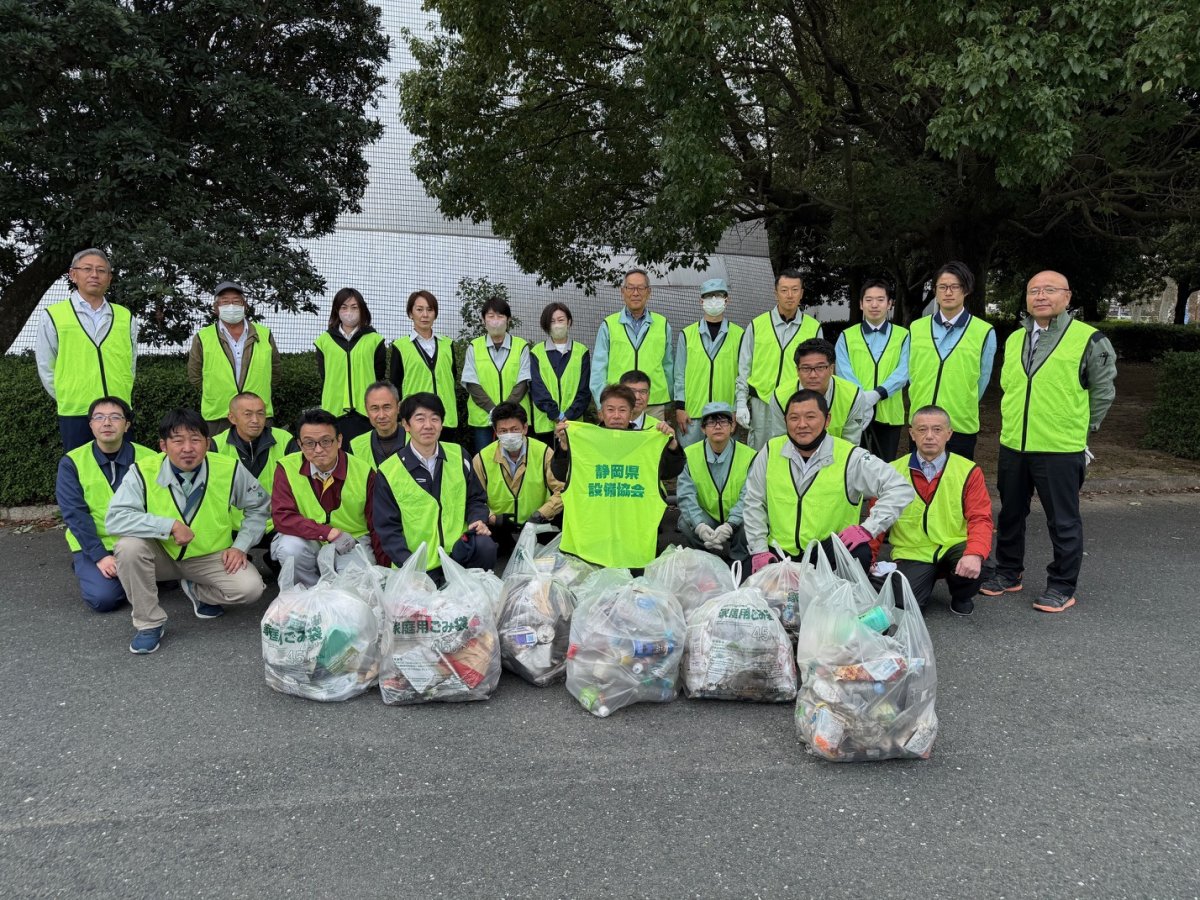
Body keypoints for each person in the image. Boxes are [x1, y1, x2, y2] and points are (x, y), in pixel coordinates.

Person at [981, 270, 1117, 613]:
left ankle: (1061, 585)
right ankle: (1009, 572)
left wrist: (1084, 430)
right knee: (1010, 512)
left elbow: (1103, 391)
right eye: (1033, 291)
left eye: (1049, 290)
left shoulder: (1089, 339)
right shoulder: (1015, 339)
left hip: (1060, 447)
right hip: (1014, 444)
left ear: (1067, 297)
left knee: (1063, 520)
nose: (1040, 296)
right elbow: (1011, 387)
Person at [107, 409, 270, 654]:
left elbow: (259, 507)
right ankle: (149, 623)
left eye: (195, 440)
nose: (187, 448)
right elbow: (116, 518)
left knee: (251, 589)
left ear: (207, 443)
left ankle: (197, 591)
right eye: (177, 440)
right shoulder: (142, 471)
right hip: (160, 554)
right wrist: (168, 526)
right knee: (127, 547)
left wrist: (241, 546)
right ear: (163, 445)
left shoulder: (229, 469)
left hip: (210, 556)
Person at [742, 390, 913, 576]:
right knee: (745, 582)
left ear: (827, 419)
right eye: (794, 418)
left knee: (859, 553)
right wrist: (759, 550)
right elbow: (754, 503)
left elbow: (900, 488)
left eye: (810, 417)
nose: (802, 424)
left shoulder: (850, 456)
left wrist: (868, 528)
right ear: (785, 421)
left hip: (827, 551)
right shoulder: (769, 451)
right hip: (779, 551)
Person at [870, 406, 993, 616]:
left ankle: (961, 595)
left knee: (982, 563)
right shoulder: (891, 471)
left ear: (949, 434)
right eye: (922, 430)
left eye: (937, 430)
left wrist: (974, 553)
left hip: (953, 545)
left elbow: (980, 518)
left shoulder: (968, 470)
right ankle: (919, 579)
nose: (929, 436)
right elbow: (877, 520)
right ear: (911, 433)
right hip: (914, 551)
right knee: (906, 606)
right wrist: (869, 561)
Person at [551, 384, 685, 569]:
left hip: (634, 538)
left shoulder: (648, 441)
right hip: (590, 538)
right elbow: (560, 474)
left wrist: (671, 444)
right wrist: (565, 446)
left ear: (631, 414)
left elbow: (671, 471)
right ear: (601, 413)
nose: (616, 416)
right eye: (610, 410)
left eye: (622, 410)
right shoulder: (583, 441)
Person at [373, 392, 497, 579]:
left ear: (441, 423)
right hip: (419, 563)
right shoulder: (389, 471)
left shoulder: (458, 455)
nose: (428, 426)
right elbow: (387, 528)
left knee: (485, 546)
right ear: (406, 425)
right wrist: (409, 565)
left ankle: (475, 587)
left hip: (458, 553)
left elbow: (476, 498)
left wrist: (477, 518)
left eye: (435, 419)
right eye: (420, 419)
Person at [57, 397, 155, 612]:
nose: (107, 423)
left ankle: (113, 574)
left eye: (115, 417)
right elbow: (74, 514)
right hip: (96, 542)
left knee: (170, 578)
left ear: (127, 425)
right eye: (99, 417)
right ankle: (90, 565)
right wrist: (100, 556)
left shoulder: (150, 458)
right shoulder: (72, 462)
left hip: (138, 541)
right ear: (90, 424)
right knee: (104, 600)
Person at [36, 249, 138, 451]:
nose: (94, 274)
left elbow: (131, 363)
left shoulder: (125, 316)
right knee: (80, 473)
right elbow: (45, 365)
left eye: (101, 270)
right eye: (87, 269)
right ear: (73, 275)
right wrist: (67, 393)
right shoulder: (53, 315)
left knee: (126, 474)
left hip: (118, 410)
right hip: (76, 412)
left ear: (109, 278)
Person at [271, 408, 374, 587]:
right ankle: (309, 594)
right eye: (309, 443)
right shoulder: (286, 467)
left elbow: (377, 523)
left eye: (326, 441)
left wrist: (387, 569)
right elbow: (282, 517)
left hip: (352, 540)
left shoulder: (363, 471)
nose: (318, 450)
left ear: (339, 440)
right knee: (289, 548)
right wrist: (327, 532)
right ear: (300, 445)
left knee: (356, 589)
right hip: (309, 538)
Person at [907, 261, 996, 460]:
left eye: (955, 287)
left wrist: (962, 401)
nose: (948, 292)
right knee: (915, 486)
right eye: (942, 287)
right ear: (935, 291)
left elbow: (982, 380)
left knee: (955, 486)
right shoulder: (916, 328)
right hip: (920, 424)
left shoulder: (984, 331)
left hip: (959, 425)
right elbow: (912, 372)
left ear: (966, 290)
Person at [736, 268, 823, 450]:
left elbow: (819, 370)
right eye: (784, 290)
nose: (789, 295)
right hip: (762, 402)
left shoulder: (813, 328)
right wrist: (741, 402)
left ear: (802, 293)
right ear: (776, 293)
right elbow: (744, 367)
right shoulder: (757, 325)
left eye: (795, 290)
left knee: (795, 453)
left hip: (798, 403)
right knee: (760, 454)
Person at [187, 281, 282, 436]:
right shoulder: (203, 337)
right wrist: (216, 392)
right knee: (220, 459)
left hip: (257, 415)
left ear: (245, 305)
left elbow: (275, 372)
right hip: (218, 417)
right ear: (216, 308)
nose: (231, 306)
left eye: (236, 301)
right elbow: (195, 376)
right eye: (225, 302)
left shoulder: (265, 334)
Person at [210, 392, 291, 571]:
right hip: (230, 528)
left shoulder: (285, 440)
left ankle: (274, 557)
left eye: (260, 413)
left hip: (276, 523)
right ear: (232, 417)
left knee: (294, 553)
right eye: (247, 414)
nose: (255, 420)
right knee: (230, 573)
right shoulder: (215, 446)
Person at [470, 402, 564, 553]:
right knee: (481, 546)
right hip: (498, 529)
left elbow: (562, 490)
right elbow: (473, 499)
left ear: (525, 428)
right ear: (495, 431)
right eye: (503, 431)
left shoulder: (543, 452)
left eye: (514, 429)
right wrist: (493, 518)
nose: (509, 435)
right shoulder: (481, 458)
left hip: (536, 526)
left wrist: (542, 513)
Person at [835, 278, 910, 462]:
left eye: (880, 299)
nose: (874, 305)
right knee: (853, 464)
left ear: (890, 304)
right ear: (861, 304)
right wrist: (862, 397)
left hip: (889, 413)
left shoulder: (903, 335)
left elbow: (905, 370)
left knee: (885, 466)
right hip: (855, 411)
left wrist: (878, 394)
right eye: (868, 300)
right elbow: (843, 369)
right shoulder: (847, 336)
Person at [590, 269, 674, 422]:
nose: (636, 293)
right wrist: (601, 403)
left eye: (641, 288)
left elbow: (668, 366)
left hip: (654, 404)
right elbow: (598, 368)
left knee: (653, 446)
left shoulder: (663, 324)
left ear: (649, 292)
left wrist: (668, 404)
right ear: (623, 291)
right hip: (617, 404)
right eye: (630, 288)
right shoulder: (608, 325)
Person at [677, 402, 755, 564]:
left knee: (753, 520)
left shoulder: (749, 456)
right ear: (703, 429)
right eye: (711, 422)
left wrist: (731, 524)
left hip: (737, 520)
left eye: (723, 421)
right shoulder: (689, 455)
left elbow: (749, 496)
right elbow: (686, 496)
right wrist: (699, 525)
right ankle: (709, 556)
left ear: (732, 427)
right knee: (685, 523)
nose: (718, 427)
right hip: (708, 518)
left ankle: (738, 559)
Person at [674, 278, 745, 448]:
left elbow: (743, 375)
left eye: (718, 296)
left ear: (727, 300)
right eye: (709, 296)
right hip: (693, 413)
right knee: (690, 462)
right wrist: (680, 408)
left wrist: (736, 408)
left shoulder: (739, 335)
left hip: (725, 414)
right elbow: (679, 375)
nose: (714, 300)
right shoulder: (687, 334)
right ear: (701, 301)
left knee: (725, 462)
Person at [765, 339, 873, 445]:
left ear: (832, 369)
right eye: (806, 368)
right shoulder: (780, 397)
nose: (813, 375)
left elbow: (850, 443)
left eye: (820, 367)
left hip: (838, 457)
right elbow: (781, 441)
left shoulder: (853, 396)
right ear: (797, 370)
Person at [314, 287, 386, 443]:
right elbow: (324, 375)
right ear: (336, 310)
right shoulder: (323, 341)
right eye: (344, 307)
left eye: (354, 307)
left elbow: (379, 374)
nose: (349, 312)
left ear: (362, 310)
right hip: (333, 414)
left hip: (366, 414)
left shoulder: (375, 339)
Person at [461, 296, 532, 454]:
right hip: (484, 420)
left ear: (508, 320)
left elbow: (523, 382)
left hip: (516, 419)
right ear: (483, 320)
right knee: (486, 461)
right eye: (491, 316)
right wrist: (494, 410)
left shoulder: (521, 346)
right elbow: (471, 383)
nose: (495, 321)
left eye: (500, 316)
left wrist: (506, 411)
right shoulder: (474, 346)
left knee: (519, 460)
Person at [389, 289, 459, 430]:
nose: (425, 315)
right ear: (410, 313)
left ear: (435, 314)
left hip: (446, 419)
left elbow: (453, 376)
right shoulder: (400, 346)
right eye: (419, 309)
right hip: (416, 420)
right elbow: (395, 384)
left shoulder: (448, 344)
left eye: (430, 310)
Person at [529, 302, 591, 446]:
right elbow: (537, 388)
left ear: (569, 322)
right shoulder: (536, 352)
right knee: (547, 464)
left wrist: (569, 415)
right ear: (546, 325)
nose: (557, 324)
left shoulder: (582, 351)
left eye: (561, 320)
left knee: (572, 465)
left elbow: (585, 389)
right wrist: (555, 414)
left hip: (573, 423)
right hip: (545, 424)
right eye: (552, 321)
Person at [349, 381, 407, 469]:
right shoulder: (356, 446)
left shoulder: (417, 441)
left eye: (387, 407)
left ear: (398, 407)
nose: (381, 415)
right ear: (366, 410)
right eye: (375, 408)